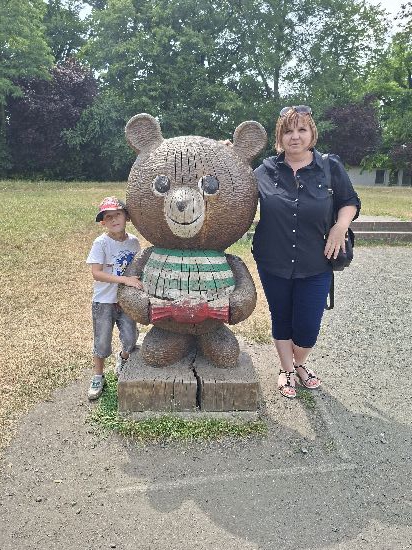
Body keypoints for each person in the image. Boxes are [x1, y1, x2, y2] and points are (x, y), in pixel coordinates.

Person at [252, 105, 360, 398]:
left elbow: (349, 201)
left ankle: (300, 362)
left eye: (301, 129)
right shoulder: (265, 170)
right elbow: (235, 188)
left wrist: (340, 226)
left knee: (308, 326)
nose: (295, 136)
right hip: (272, 260)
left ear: (312, 133)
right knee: (281, 316)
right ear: (280, 137)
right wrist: (229, 156)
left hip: (316, 261)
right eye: (288, 131)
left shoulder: (329, 166)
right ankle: (287, 369)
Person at [86, 196, 143, 400]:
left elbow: (137, 269)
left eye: (117, 214)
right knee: (102, 341)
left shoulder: (134, 242)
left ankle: (123, 358)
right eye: (108, 217)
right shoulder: (101, 243)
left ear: (126, 216)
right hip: (104, 301)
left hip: (126, 301)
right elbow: (96, 273)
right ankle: (98, 376)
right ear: (103, 222)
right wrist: (124, 280)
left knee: (130, 339)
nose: (113, 220)